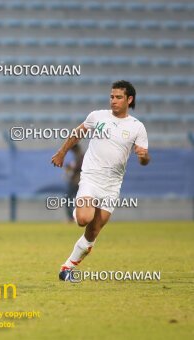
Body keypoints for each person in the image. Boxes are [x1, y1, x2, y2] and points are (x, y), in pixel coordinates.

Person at [51, 80, 150, 281]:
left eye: (118, 97)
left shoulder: (137, 127)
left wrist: (143, 156)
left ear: (129, 99)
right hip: (91, 178)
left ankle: (67, 268)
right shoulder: (97, 116)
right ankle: (78, 210)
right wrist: (61, 153)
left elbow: (145, 159)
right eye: (111, 96)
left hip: (112, 185)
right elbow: (77, 134)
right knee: (84, 220)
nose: (113, 100)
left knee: (93, 231)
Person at [64, 144, 84, 223]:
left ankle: (71, 218)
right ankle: (72, 218)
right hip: (76, 181)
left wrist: (71, 167)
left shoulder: (81, 157)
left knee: (70, 199)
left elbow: (79, 167)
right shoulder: (77, 156)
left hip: (78, 181)